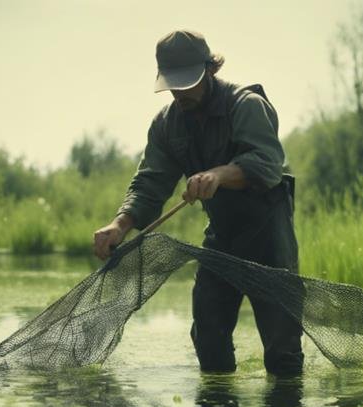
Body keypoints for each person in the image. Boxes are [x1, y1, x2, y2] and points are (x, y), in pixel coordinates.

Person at [92, 30, 303, 377]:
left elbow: (268, 165)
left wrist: (219, 175)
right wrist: (120, 224)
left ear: (210, 69)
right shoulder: (166, 124)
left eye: (187, 82)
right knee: (208, 336)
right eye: (173, 84)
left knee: (282, 350)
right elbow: (150, 182)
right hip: (221, 238)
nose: (180, 91)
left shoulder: (246, 105)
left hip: (269, 237)